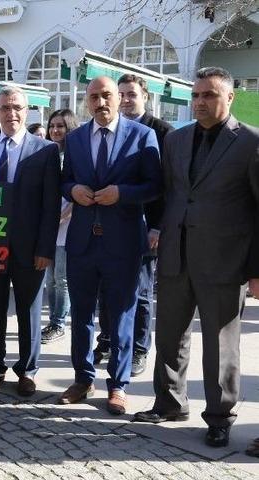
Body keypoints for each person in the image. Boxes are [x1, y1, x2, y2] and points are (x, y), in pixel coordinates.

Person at [133, 67, 259, 450]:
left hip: (224, 260)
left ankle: (220, 417)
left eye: (209, 95)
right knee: (170, 335)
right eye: (197, 95)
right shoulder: (177, 139)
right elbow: (172, 195)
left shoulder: (251, 142)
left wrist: (255, 270)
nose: (201, 102)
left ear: (229, 97)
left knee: (221, 346)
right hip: (175, 254)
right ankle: (170, 402)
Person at [59, 76, 161, 415]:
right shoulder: (74, 139)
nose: (100, 103)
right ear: (86, 101)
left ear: (118, 98)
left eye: (106, 96)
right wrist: (72, 190)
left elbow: (155, 185)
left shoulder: (142, 136)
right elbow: (66, 179)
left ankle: (118, 385)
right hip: (83, 242)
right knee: (82, 316)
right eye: (93, 97)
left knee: (122, 317)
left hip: (124, 242)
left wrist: (123, 194)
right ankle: (82, 378)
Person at [0, 86, 61, 397]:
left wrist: (45, 249)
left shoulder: (46, 150)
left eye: (18, 107)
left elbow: (51, 205)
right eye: (6, 107)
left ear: (28, 111)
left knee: (29, 310)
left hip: (29, 247)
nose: (12, 113)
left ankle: (28, 370)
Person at [93, 74, 175, 375]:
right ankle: (107, 338)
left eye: (132, 95)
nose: (126, 100)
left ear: (145, 97)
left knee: (139, 292)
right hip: (108, 226)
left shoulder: (161, 132)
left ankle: (139, 347)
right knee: (106, 287)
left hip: (145, 227)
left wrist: (157, 227)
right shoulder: (107, 127)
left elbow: (165, 186)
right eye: (122, 94)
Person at [41, 109, 80, 344]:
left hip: (67, 226)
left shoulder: (75, 155)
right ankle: (53, 321)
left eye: (61, 126)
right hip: (48, 226)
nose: (55, 130)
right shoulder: (47, 152)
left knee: (61, 278)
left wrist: (63, 217)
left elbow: (78, 194)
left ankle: (58, 322)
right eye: (52, 125)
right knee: (50, 278)